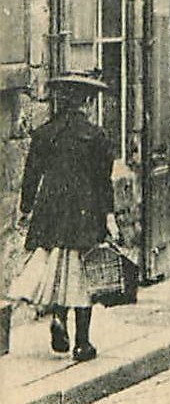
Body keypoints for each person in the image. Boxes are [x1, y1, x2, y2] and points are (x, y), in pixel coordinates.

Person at [12, 72, 117, 363]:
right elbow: (103, 181)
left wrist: (26, 208)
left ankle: (58, 319)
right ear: (85, 102)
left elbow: (31, 175)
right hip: (85, 212)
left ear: (61, 100)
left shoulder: (45, 133)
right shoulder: (96, 136)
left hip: (51, 212)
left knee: (57, 268)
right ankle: (82, 343)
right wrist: (109, 217)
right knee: (82, 275)